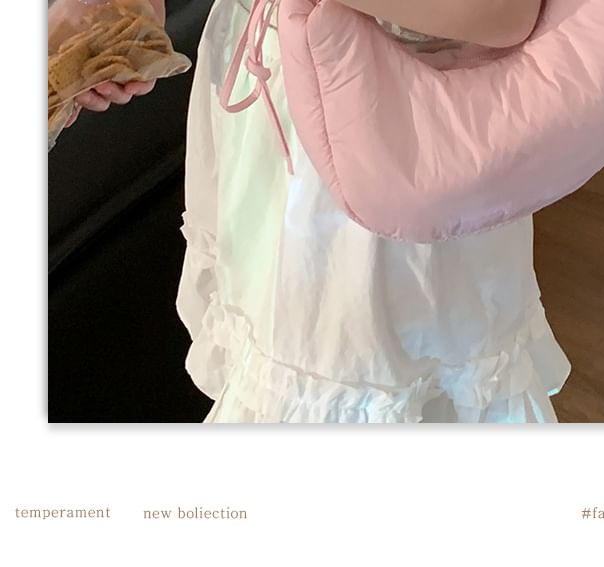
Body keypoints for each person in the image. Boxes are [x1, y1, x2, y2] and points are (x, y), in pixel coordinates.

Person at [71, 0, 571, 423]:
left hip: (392, 145)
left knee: (353, 382)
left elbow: (504, 13)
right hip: (272, 115)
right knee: (274, 365)